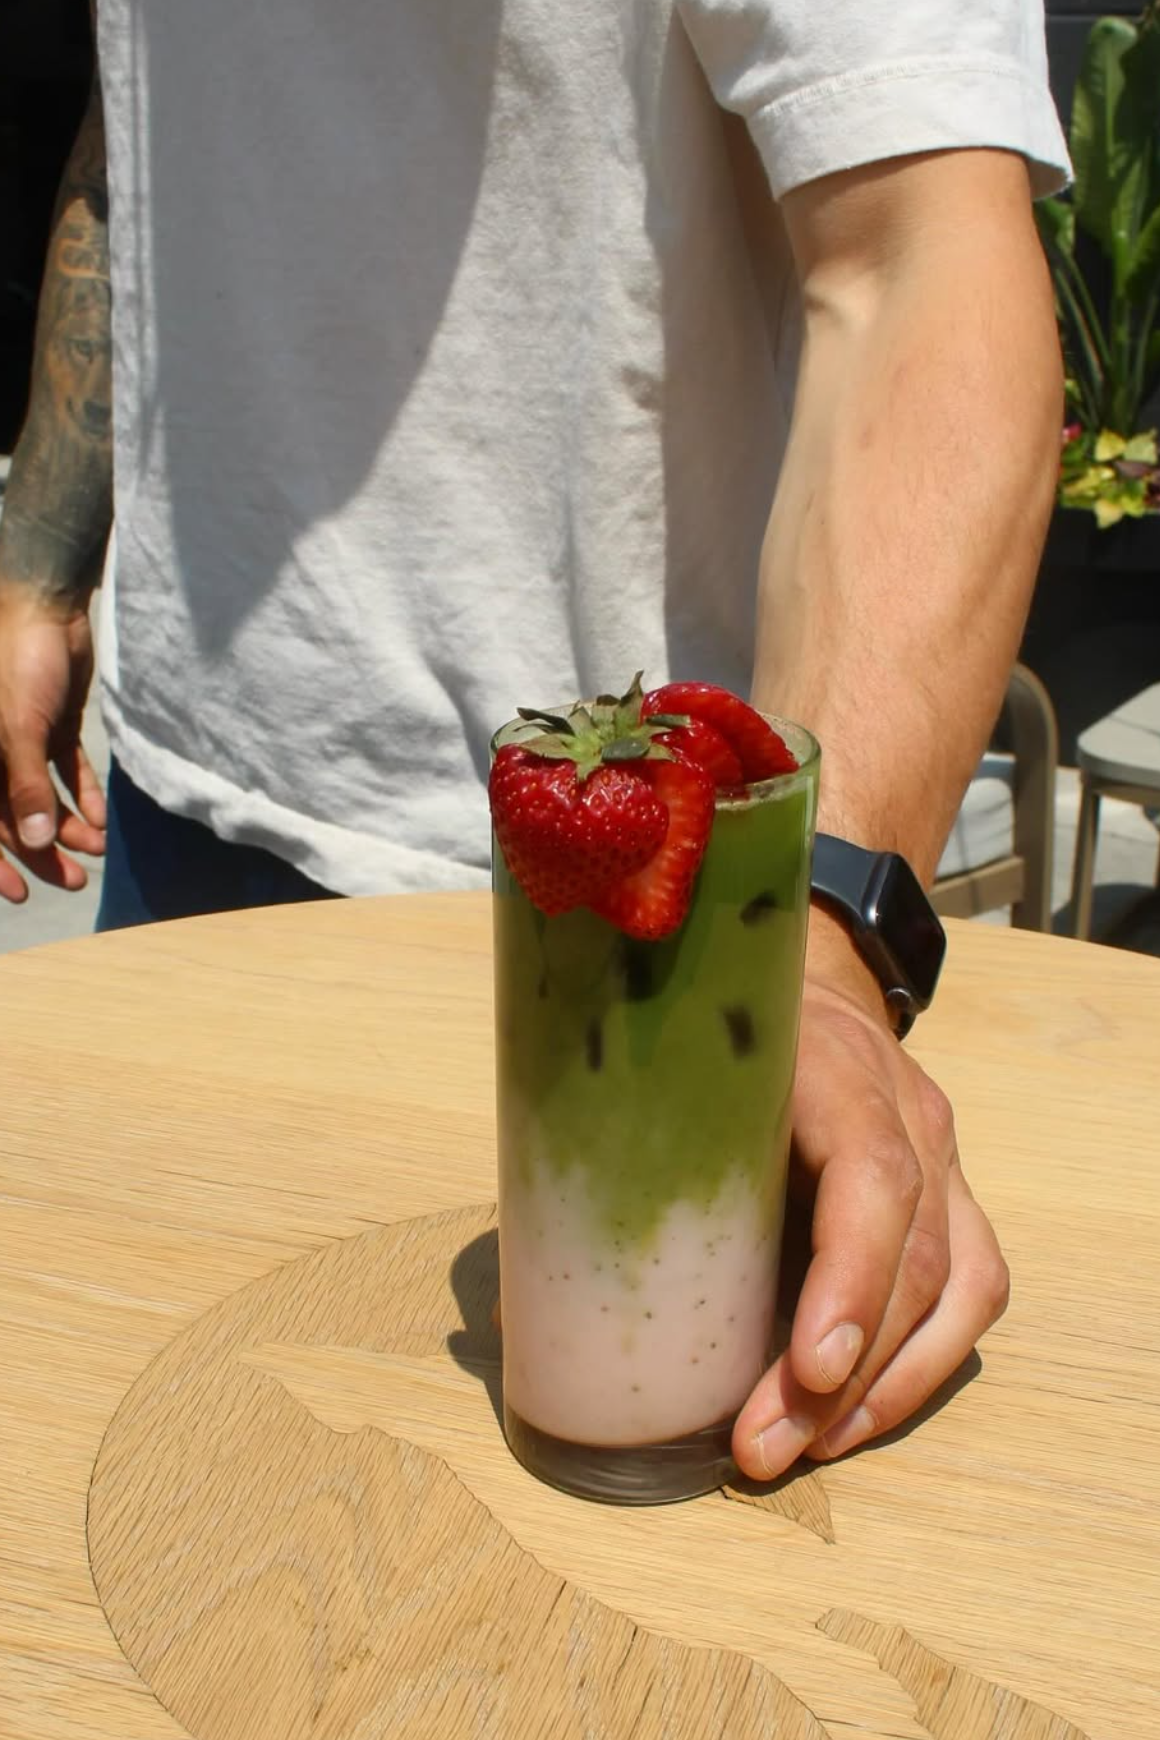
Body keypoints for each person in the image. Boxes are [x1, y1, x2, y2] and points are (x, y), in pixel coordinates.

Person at [0, 0, 1069, 1481]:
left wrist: (816, 944)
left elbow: (918, 261)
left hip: (637, 949)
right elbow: (148, 100)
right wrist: (48, 541)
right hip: (179, 810)